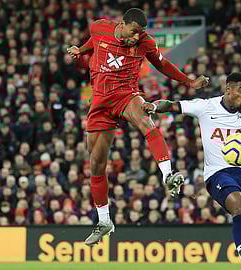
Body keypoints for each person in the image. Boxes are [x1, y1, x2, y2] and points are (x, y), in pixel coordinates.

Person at [66, 8, 209, 246]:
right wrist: (81, 50)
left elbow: (163, 65)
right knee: (96, 162)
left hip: (126, 94)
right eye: (134, 32)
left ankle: (168, 174)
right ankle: (104, 221)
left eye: (141, 33)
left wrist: (188, 81)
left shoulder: (145, 42)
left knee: (145, 118)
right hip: (100, 101)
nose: (136, 37)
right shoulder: (99, 27)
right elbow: (95, 41)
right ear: (122, 24)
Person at [142, 72, 241, 270]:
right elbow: (172, 105)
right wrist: (153, 106)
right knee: (239, 208)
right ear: (228, 90)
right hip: (218, 174)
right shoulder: (206, 107)